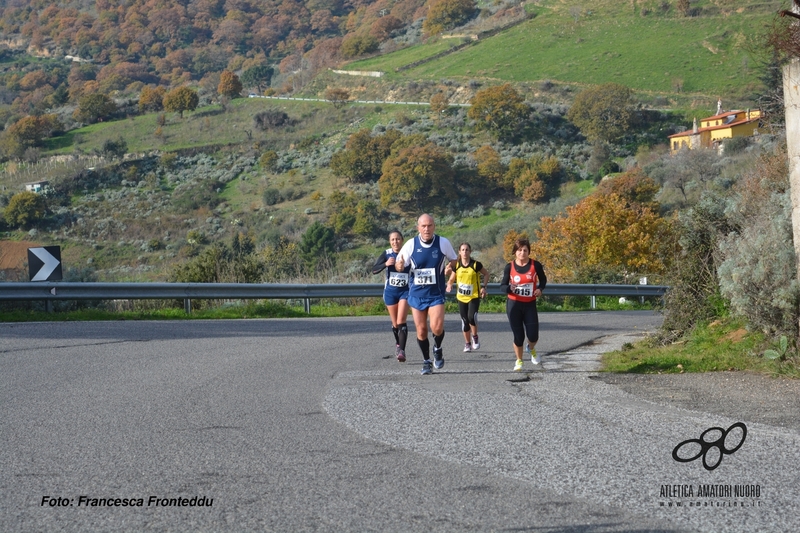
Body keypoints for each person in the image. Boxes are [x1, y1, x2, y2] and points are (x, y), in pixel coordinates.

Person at [394, 214, 458, 375]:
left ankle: (437, 348)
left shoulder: (443, 243)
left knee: (436, 327)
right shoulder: (411, 245)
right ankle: (426, 361)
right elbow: (399, 264)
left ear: (434, 226)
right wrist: (400, 266)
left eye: (429, 225)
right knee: (421, 330)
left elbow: (454, 260)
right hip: (416, 294)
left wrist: (449, 267)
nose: (426, 229)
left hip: (436, 293)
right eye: (423, 226)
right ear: (418, 228)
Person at [499, 238, 547, 372]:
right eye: (519, 250)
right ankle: (519, 360)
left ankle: (530, 348)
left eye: (525, 250)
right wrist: (509, 288)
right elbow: (502, 286)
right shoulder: (510, 267)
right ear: (515, 252)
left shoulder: (535, 265)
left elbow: (543, 279)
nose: (522, 253)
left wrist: (540, 289)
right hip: (514, 305)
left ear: (529, 252)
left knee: (533, 336)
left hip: (530, 304)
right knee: (518, 336)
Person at [371, 230, 411, 362]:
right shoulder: (387, 253)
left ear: (402, 240)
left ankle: (402, 351)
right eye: (393, 239)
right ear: (390, 241)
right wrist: (385, 264)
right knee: (395, 324)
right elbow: (374, 269)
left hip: (405, 291)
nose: (395, 242)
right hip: (390, 292)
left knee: (401, 321)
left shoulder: (408, 252)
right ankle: (398, 344)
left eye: (398, 239)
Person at [445, 243, 488, 353]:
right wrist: (449, 284)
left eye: (467, 250)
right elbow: (451, 279)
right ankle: (467, 343)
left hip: (473, 296)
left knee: (471, 318)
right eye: (463, 250)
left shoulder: (475, 265)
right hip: (461, 297)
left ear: (470, 251)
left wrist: (483, 287)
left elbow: (486, 274)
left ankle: (475, 336)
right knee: (464, 321)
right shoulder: (457, 266)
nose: (465, 252)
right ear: (459, 252)